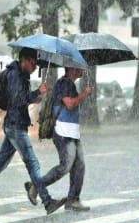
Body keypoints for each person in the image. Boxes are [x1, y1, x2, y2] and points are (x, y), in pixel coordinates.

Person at [0, 47, 66, 215]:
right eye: (33, 63)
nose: (35, 67)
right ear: (24, 60)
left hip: (14, 124)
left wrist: (34, 97)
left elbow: (20, 99)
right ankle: (47, 201)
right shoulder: (14, 75)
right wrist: (36, 92)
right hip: (15, 126)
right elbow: (17, 99)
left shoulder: (21, 75)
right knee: (32, 163)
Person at [24, 67, 92, 211]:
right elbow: (69, 104)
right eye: (79, 67)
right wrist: (84, 94)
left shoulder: (71, 84)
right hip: (62, 131)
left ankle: (73, 200)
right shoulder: (63, 84)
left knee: (79, 166)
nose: (82, 70)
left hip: (72, 132)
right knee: (65, 166)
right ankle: (36, 185)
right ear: (71, 69)